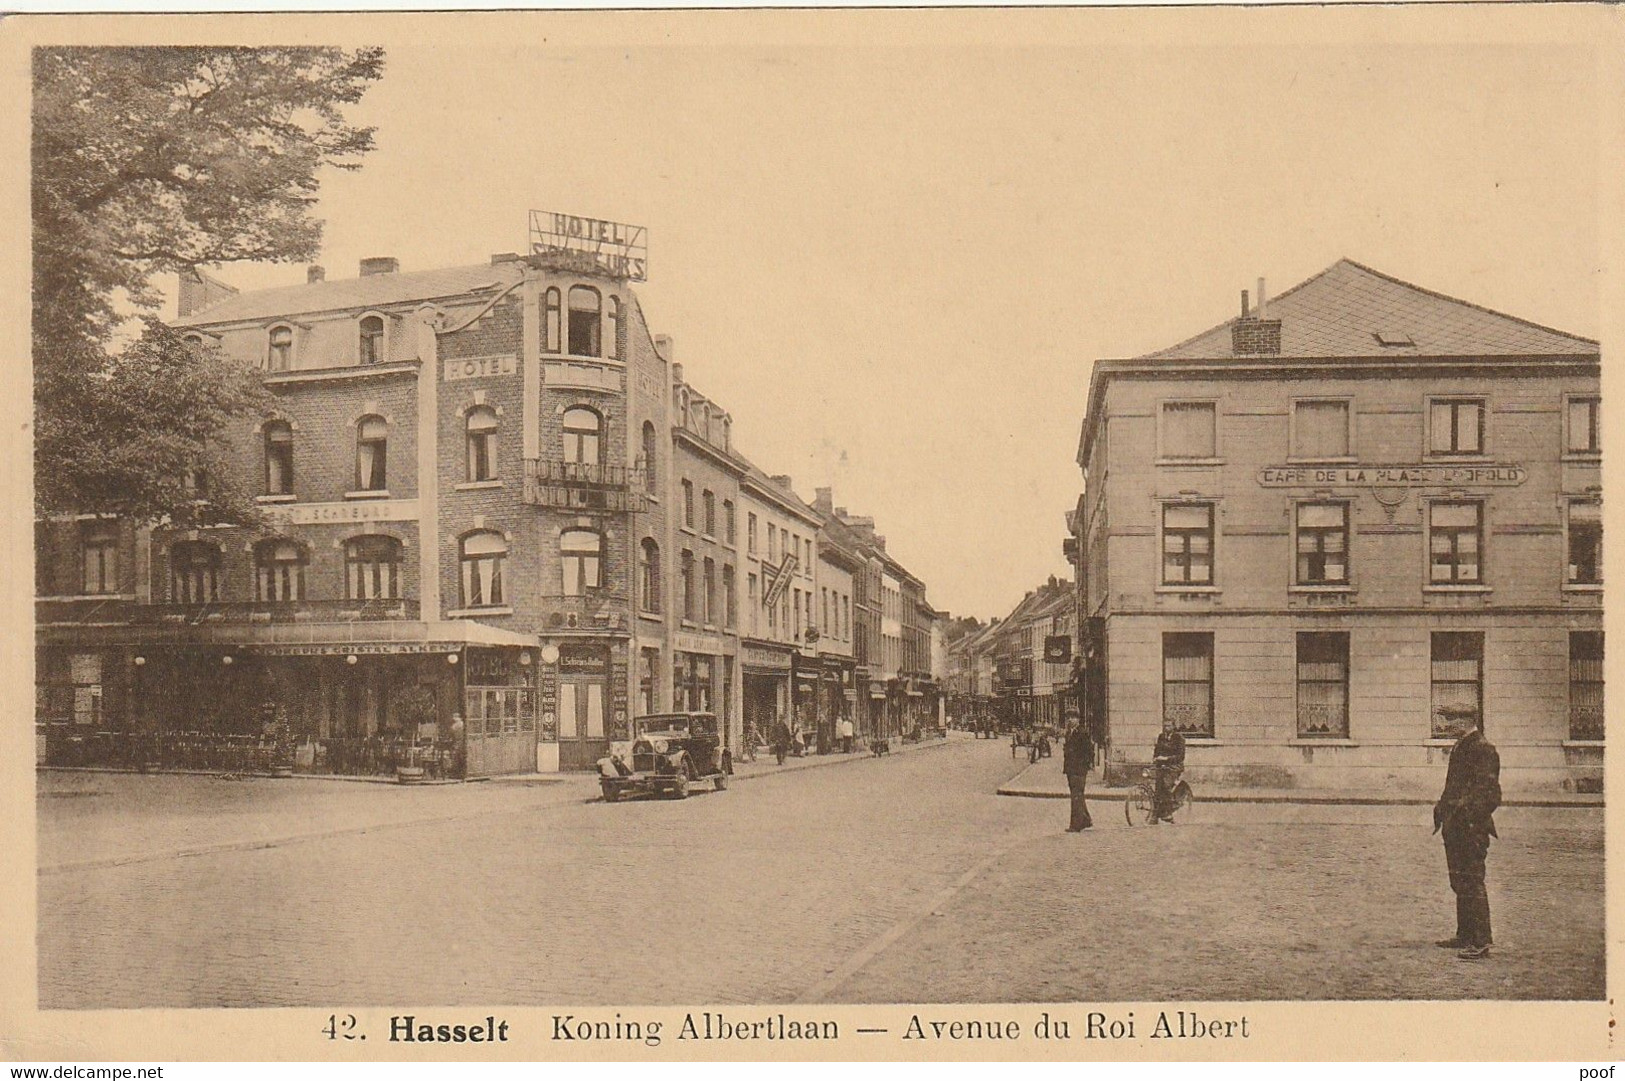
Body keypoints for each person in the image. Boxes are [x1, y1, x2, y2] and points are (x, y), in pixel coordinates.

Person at [1433, 706, 1501, 961]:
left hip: (1470, 829)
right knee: (1460, 881)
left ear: (1467, 720)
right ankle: (1465, 934)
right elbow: (1453, 786)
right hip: (1456, 826)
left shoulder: (1483, 748)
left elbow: (1490, 793)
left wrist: (1468, 816)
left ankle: (1481, 941)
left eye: (1452, 719)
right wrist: (1442, 809)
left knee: (1472, 880)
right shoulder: (1462, 746)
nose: (1448, 724)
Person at [1062, 709, 1093, 831]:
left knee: (1076, 796)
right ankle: (1086, 820)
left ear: (1078, 719)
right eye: (1068, 717)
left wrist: (1084, 766)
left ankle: (1075, 825)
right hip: (1070, 769)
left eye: (1073, 717)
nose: (1070, 720)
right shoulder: (1069, 732)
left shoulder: (1082, 732)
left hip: (1079, 770)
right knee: (1077, 795)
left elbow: (1089, 751)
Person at [1151, 719, 1187, 823]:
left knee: (1166, 785)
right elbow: (1157, 750)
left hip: (1174, 766)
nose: (1166, 728)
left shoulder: (1179, 738)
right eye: (1165, 726)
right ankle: (1155, 816)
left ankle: (1168, 812)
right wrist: (1155, 758)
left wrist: (1166, 759)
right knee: (1157, 789)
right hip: (1162, 765)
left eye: (1168, 726)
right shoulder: (1161, 737)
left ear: (1173, 727)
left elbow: (1181, 756)